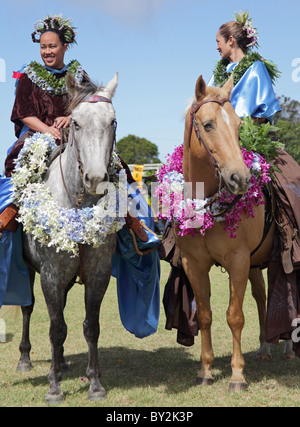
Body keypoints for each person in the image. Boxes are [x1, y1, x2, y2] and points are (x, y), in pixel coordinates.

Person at [0, 15, 160, 339]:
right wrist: (48, 129)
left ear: (64, 46)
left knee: (116, 169)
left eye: (52, 46)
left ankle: (133, 222)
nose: (47, 51)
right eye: (43, 46)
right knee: (24, 169)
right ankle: (11, 214)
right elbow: (22, 113)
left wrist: (68, 119)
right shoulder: (28, 77)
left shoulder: (79, 74)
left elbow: (93, 106)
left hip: (79, 136)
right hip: (38, 137)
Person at [161, 11, 300, 352]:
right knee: (182, 184)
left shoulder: (257, 70)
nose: (217, 48)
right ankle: (180, 246)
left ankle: (289, 236)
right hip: (218, 143)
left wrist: (243, 134)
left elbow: (266, 111)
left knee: (292, 178)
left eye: (219, 42)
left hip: (251, 140)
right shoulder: (218, 75)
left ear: (231, 42)